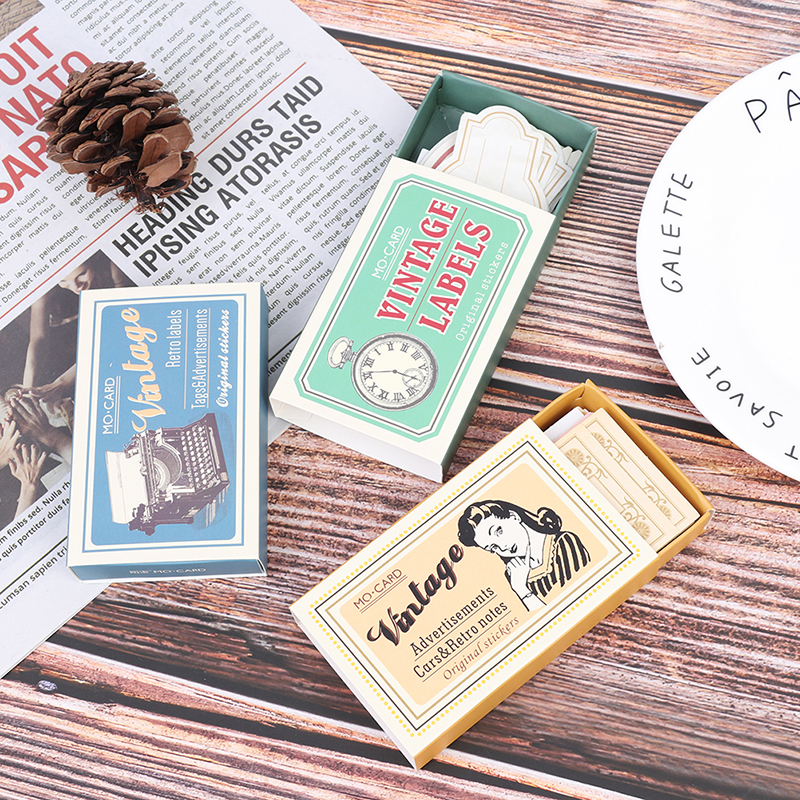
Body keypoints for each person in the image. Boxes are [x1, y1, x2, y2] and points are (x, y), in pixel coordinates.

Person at [457, 499, 591, 610]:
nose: (503, 547)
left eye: (499, 531)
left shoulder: (563, 543)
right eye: (493, 547)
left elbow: (576, 609)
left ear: (513, 516)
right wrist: (520, 589)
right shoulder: (514, 574)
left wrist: (523, 591)